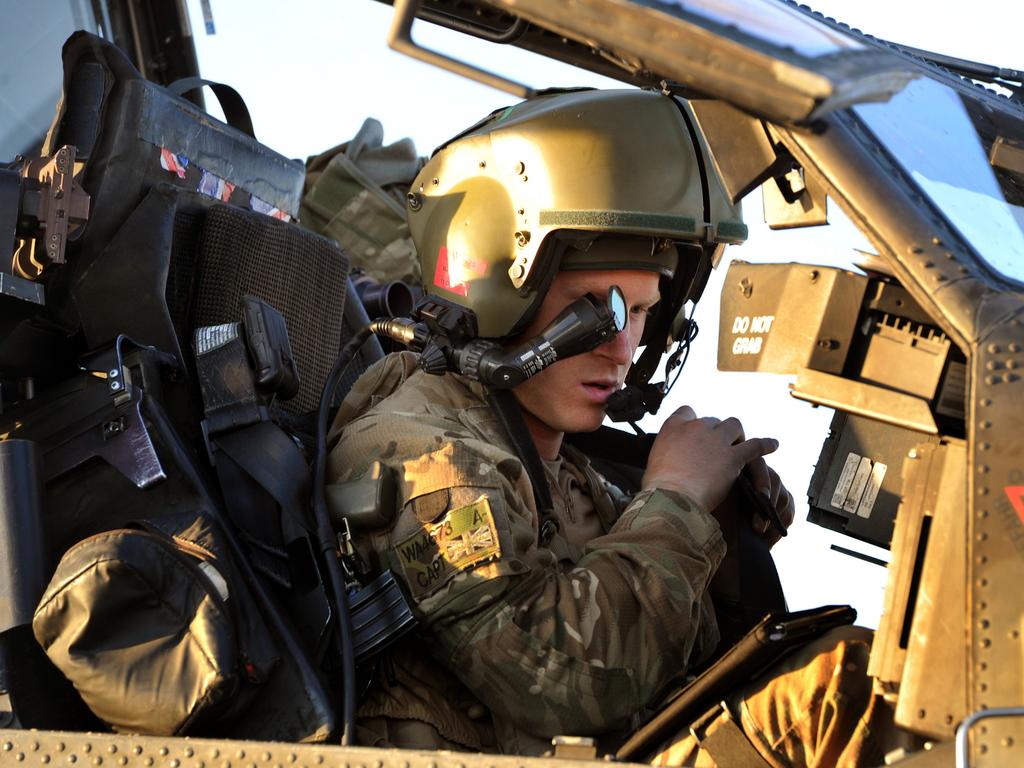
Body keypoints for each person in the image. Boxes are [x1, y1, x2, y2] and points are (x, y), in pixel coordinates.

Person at [326, 89, 922, 765]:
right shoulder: (423, 453)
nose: (622, 347)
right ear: (498, 294)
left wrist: (722, 535)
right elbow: (563, 683)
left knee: (864, 678)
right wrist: (675, 501)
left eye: (640, 313)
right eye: (593, 308)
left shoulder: (561, 465)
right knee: (835, 694)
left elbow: (666, 654)